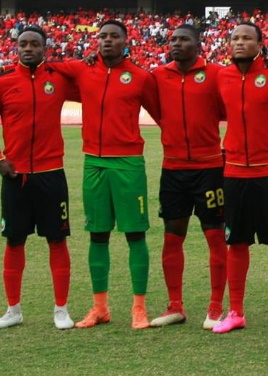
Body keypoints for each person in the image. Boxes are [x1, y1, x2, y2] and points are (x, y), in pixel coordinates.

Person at [51, 20, 161, 329]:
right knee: (97, 234)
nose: (107, 40)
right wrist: (86, 57)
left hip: (128, 164)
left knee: (134, 234)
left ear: (126, 40)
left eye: (114, 36)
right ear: (96, 41)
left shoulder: (140, 77)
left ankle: (139, 308)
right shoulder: (83, 70)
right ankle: (100, 307)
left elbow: (163, 115)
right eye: (103, 36)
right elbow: (49, 67)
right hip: (93, 163)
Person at [212, 23, 268, 335]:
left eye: (247, 38)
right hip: (234, 172)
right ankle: (235, 312)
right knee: (236, 242)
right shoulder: (221, 76)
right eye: (235, 38)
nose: (240, 43)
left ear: (261, 44)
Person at [148, 25, 227, 330]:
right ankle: (175, 306)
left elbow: (232, 108)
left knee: (215, 235)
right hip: (173, 169)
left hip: (209, 168)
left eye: (184, 40)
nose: (177, 44)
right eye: (173, 40)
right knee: (172, 236)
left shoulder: (217, 73)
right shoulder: (158, 76)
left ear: (198, 45)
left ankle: (216, 306)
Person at [0, 27, 78, 330]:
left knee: (57, 240)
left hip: (51, 175)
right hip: (15, 176)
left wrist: (64, 64)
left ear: (45, 48)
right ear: (16, 48)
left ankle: (61, 309)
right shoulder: (5, 81)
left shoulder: (57, 79)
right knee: (14, 240)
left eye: (35, 44)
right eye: (23, 44)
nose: (28, 48)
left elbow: (92, 84)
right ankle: (13, 309)